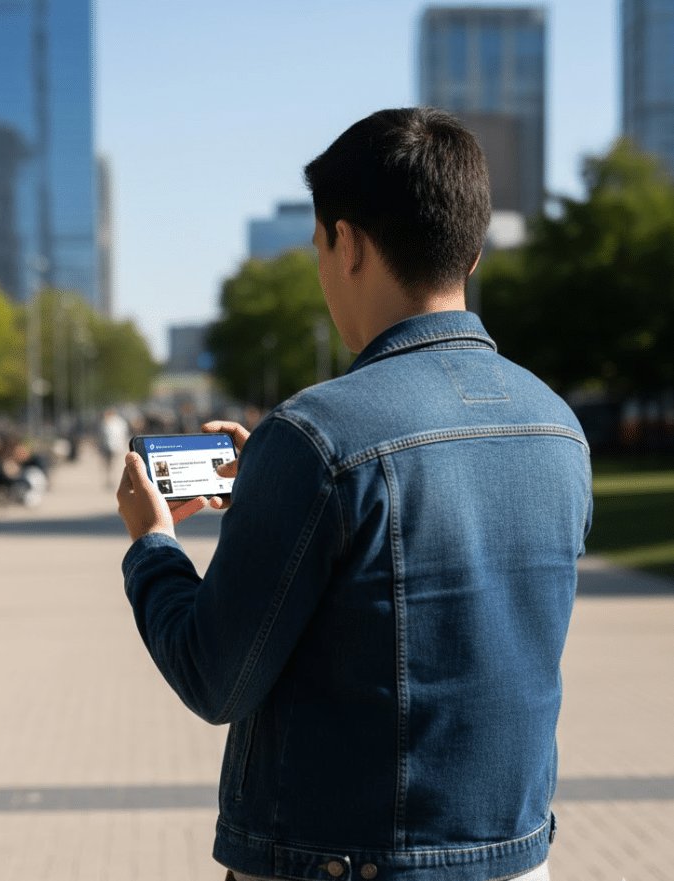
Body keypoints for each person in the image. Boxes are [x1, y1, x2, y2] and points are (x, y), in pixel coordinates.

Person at [117, 108, 592, 881]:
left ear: (347, 242)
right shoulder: (557, 425)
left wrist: (151, 543)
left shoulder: (316, 435)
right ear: (469, 251)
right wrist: (275, 493)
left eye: (316, 246)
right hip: (513, 858)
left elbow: (214, 677)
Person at [98, 407, 130, 487]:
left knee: (113, 464)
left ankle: (113, 479)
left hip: (115, 446)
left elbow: (123, 434)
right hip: (106, 446)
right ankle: (109, 479)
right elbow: (101, 436)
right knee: (108, 464)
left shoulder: (119, 422)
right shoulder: (104, 423)